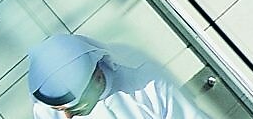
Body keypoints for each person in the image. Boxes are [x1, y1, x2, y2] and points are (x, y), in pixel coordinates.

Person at [28, 34, 207, 119]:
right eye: (60, 110)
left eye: (75, 108)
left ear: (98, 78)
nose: (67, 117)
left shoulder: (146, 83)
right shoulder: (45, 110)